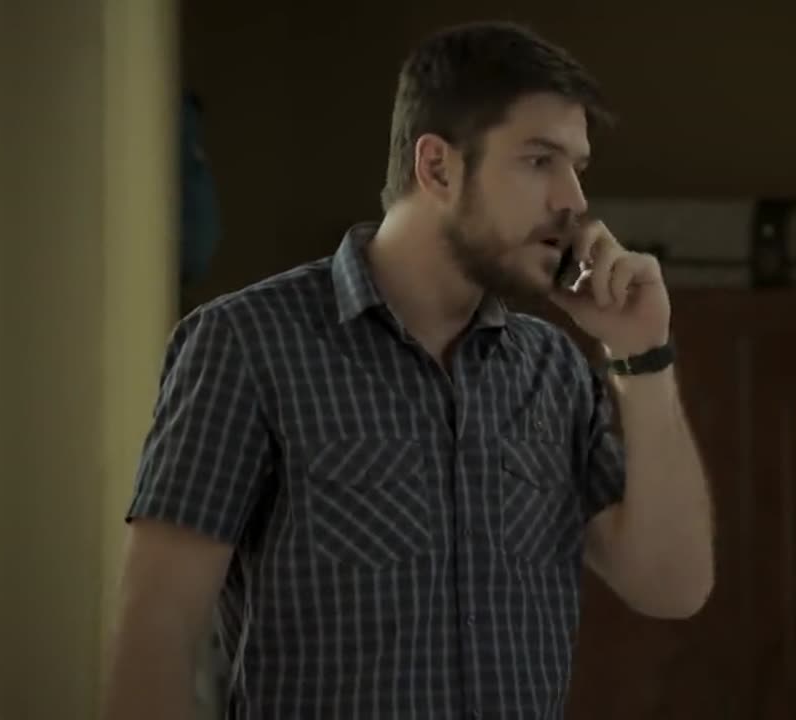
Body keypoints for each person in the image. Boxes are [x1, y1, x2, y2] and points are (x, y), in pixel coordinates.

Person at [100, 20, 715, 720]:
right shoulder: (245, 345)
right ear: (438, 168)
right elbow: (156, 629)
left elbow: (673, 587)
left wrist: (643, 356)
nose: (572, 199)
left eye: (577, 167)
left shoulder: (551, 370)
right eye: (540, 160)